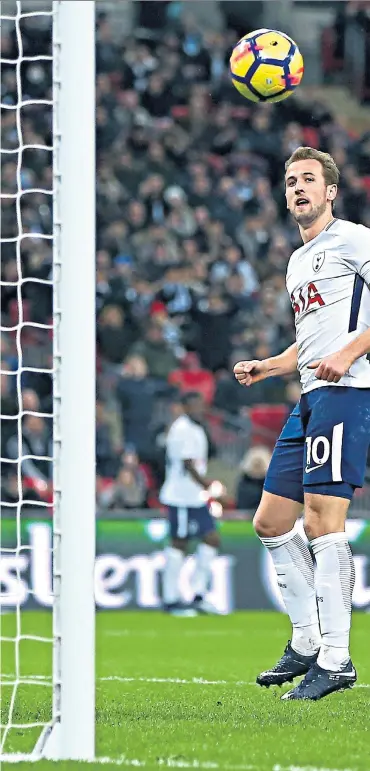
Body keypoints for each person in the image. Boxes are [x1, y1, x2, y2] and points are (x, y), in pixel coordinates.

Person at [234, 146, 370, 701]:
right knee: (269, 521)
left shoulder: (355, 238)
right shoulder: (297, 261)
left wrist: (352, 351)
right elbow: (311, 341)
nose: (297, 188)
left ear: (330, 191)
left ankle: (336, 658)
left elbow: (344, 339)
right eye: (291, 180)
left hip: (348, 392)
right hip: (311, 395)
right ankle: (307, 642)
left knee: (323, 523)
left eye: (309, 179)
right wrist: (271, 365)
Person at [159, 392, 226, 616]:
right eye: (194, 406)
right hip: (181, 497)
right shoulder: (182, 429)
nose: (199, 409)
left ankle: (198, 595)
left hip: (194, 497)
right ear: (184, 407)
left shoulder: (197, 428)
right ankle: (171, 600)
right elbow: (188, 465)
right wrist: (210, 487)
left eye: (201, 405)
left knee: (211, 538)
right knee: (179, 542)